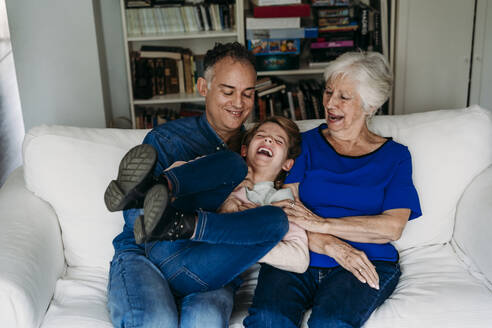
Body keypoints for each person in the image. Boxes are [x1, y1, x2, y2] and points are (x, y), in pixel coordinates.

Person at [106, 42, 288, 328]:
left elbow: (290, 210)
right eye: (228, 91)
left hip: (209, 257)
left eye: (248, 94)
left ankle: (177, 210)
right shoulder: (168, 139)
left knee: (204, 319)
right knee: (156, 320)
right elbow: (135, 221)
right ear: (203, 87)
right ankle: (163, 187)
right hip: (146, 254)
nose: (238, 103)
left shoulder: (257, 146)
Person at [244, 51, 422, 328]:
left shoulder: (396, 156)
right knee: (269, 319)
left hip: (366, 260)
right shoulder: (304, 145)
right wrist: (333, 245)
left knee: (331, 322)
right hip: (299, 253)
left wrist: (323, 224)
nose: (330, 103)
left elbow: (391, 227)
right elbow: (289, 213)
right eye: (328, 92)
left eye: (344, 97)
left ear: (370, 105)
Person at [129, 117, 309, 299]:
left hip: (195, 270)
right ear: (245, 149)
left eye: (278, 141)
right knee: (233, 163)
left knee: (276, 219)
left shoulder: (282, 201)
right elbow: (182, 170)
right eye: (261, 135)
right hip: (161, 240)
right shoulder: (224, 168)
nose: (268, 140)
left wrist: (235, 231)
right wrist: (226, 197)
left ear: (288, 163)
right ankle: (150, 188)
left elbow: (300, 260)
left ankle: (185, 225)